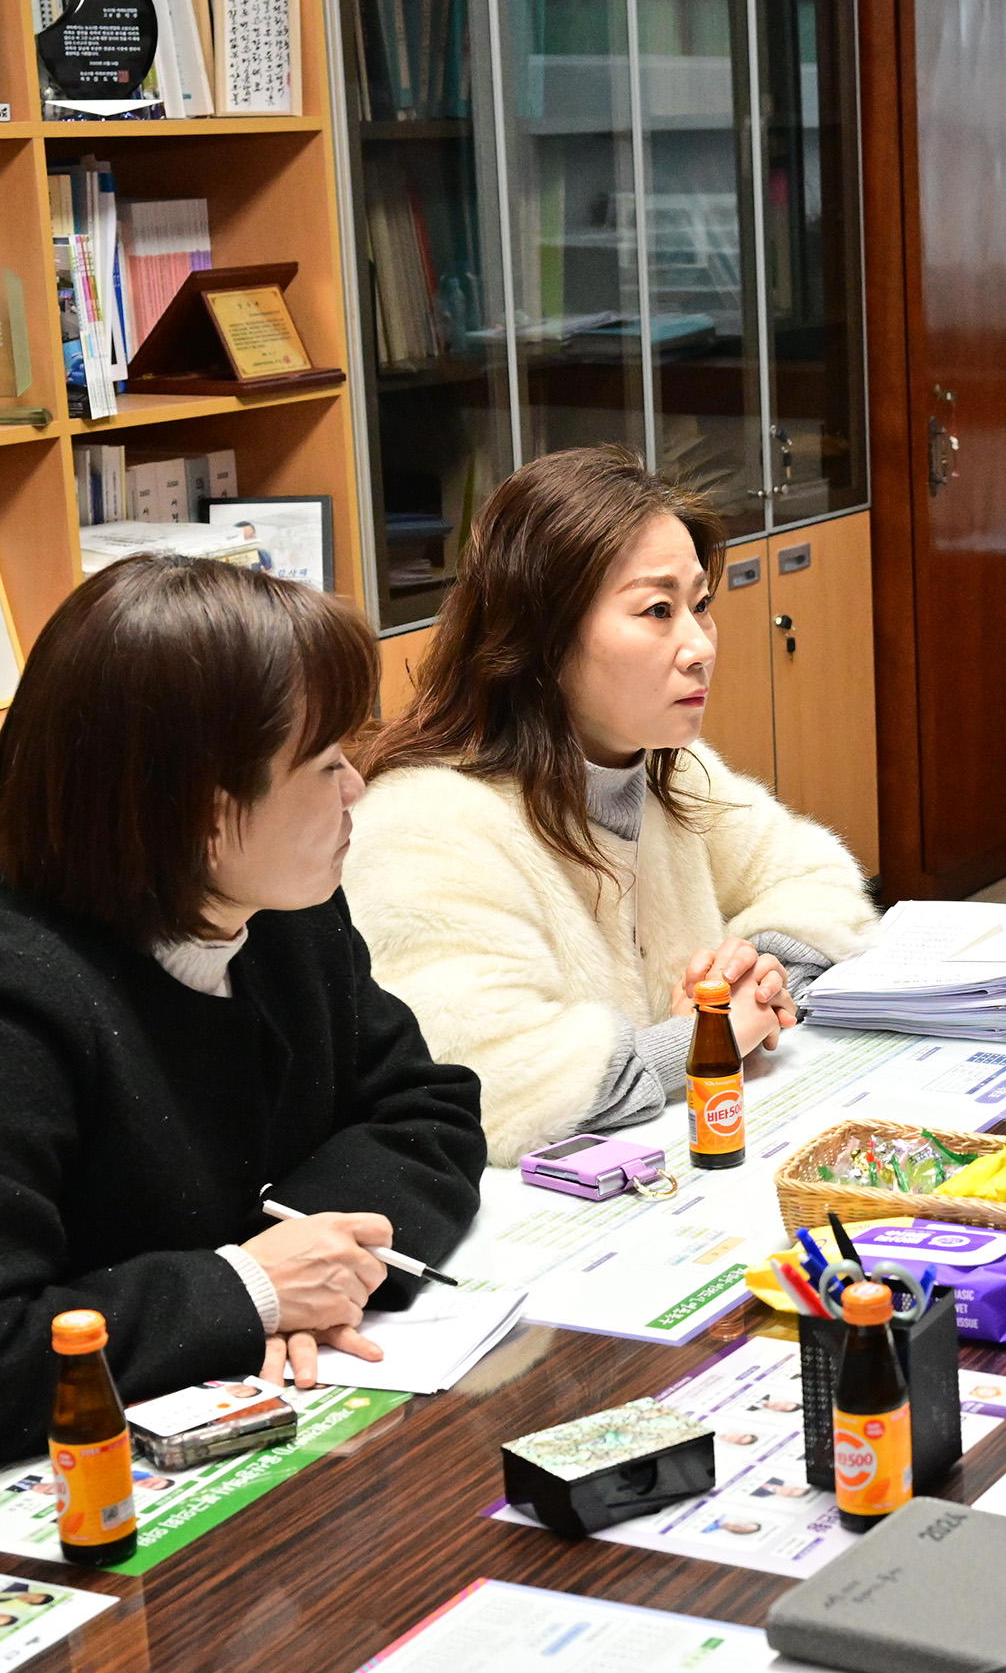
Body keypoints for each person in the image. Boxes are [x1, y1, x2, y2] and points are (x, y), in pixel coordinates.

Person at [0, 555, 486, 1514]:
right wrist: (245, 1290)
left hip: (218, 1445)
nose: (356, 790)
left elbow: (429, 1105)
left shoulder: (281, 914)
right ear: (206, 812)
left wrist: (309, 1265)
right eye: (326, 764)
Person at [347, 446, 877, 1164]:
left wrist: (757, 973)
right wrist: (706, 1037)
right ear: (543, 638)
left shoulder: (669, 771)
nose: (699, 647)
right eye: (658, 611)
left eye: (701, 606)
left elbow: (817, 882)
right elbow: (492, 1083)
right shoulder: (424, 825)